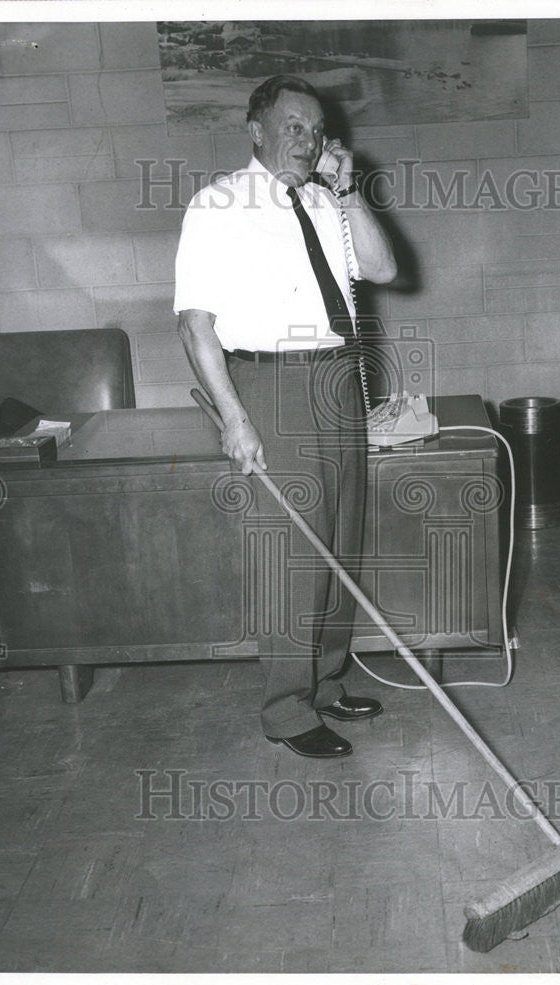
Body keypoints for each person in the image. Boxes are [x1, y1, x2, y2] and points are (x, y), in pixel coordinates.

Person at [173, 75, 397, 759]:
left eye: (317, 129)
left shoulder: (327, 203)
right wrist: (236, 418)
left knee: (339, 546)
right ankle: (285, 709)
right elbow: (194, 325)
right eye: (293, 126)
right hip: (271, 384)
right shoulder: (217, 205)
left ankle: (325, 683)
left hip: (337, 379)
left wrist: (348, 188)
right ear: (256, 130)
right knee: (294, 558)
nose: (308, 140)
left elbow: (385, 269)